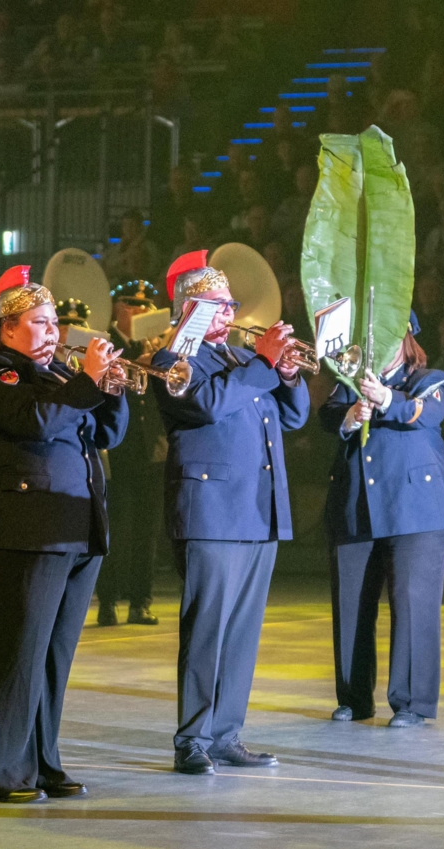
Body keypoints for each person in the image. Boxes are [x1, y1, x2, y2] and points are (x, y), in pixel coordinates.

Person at [0, 266, 127, 802]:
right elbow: (32, 422)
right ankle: (2, 774)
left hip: (74, 527)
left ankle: (42, 764)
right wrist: (86, 382)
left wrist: (111, 387)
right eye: (40, 322)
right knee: (19, 653)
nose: (53, 331)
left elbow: (108, 432)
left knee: (54, 658)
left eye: (55, 322)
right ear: (9, 328)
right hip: (24, 531)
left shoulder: (59, 373)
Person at [152, 251, 308, 775]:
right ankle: (192, 739)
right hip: (212, 511)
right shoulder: (173, 358)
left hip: (257, 509)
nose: (230, 313)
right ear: (189, 309)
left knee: (242, 631)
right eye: (218, 305)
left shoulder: (242, 359)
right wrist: (264, 364)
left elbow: (293, 418)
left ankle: (225, 735)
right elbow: (206, 405)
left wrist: (288, 374)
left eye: (230, 304)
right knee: (207, 629)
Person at [319, 318, 444, 727]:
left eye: (388, 338)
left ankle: (412, 703)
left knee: (413, 604)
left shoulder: (428, 379)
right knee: (351, 603)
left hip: (417, 511)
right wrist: (351, 414)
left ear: (406, 341)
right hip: (358, 505)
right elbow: (327, 415)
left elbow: (424, 412)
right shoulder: (350, 381)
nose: (378, 346)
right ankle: (354, 697)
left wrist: (384, 398)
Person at [97, 279, 167, 626]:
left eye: (145, 306)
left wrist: (164, 361)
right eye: (132, 304)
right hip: (118, 448)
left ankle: (141, 601)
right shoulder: (105, 342)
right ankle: (108, 600)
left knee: (146, 532)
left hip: (150, 448)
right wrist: (133, 365)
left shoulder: (157, 344)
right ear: (118, 308)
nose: (140, 311)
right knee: (116, 529)